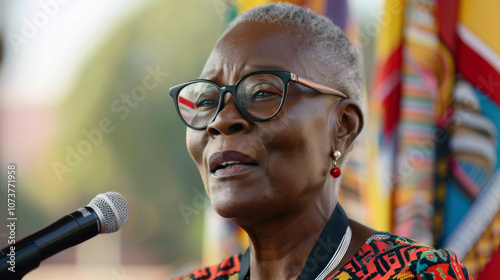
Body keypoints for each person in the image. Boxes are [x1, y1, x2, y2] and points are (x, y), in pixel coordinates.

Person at [169, 3, 471, 280]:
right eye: (206, 100)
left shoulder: (415, 274)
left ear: (343, 127)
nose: (220, 120)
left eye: (262, 92)